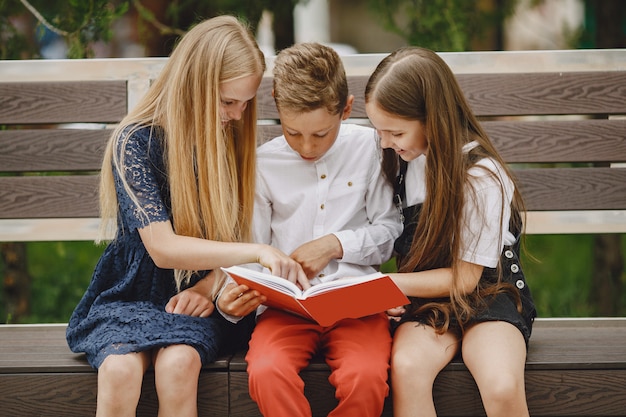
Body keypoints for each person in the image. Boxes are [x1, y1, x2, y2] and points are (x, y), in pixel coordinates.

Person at [65, 16, 305, 417]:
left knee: (178, 365)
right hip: (131, 295)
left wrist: (209, 288)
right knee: (120, 369)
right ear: (193, 85)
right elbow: (162, 248)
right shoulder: (135, 142)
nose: (238, 115)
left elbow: (238, 233)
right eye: (228, 101)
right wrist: (260, 251)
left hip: (199, 298)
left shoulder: (231, 141)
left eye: (246, 103)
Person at [217, 42, 402, 417]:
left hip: (356, 302)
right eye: (292, 132)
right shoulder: (264, 163)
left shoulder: (370, 146)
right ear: (275, 104)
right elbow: (253, 249)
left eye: (321, 134)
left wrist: (336, 244)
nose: (306, 147)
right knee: (267, 372)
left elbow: (390, 231)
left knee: (366, 378)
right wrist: (231, 300)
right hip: (286, 307)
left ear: (346, 109)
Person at [364, 46, 537, 417]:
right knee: (408, 368)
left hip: (487, 293)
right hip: (427, 302)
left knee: (501, 382)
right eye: (378, 130)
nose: (384, 142)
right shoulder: (402, 161)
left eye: (395, 131)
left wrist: (390, 286)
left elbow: (467, 278)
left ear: (432, 118)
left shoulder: (481, 176)